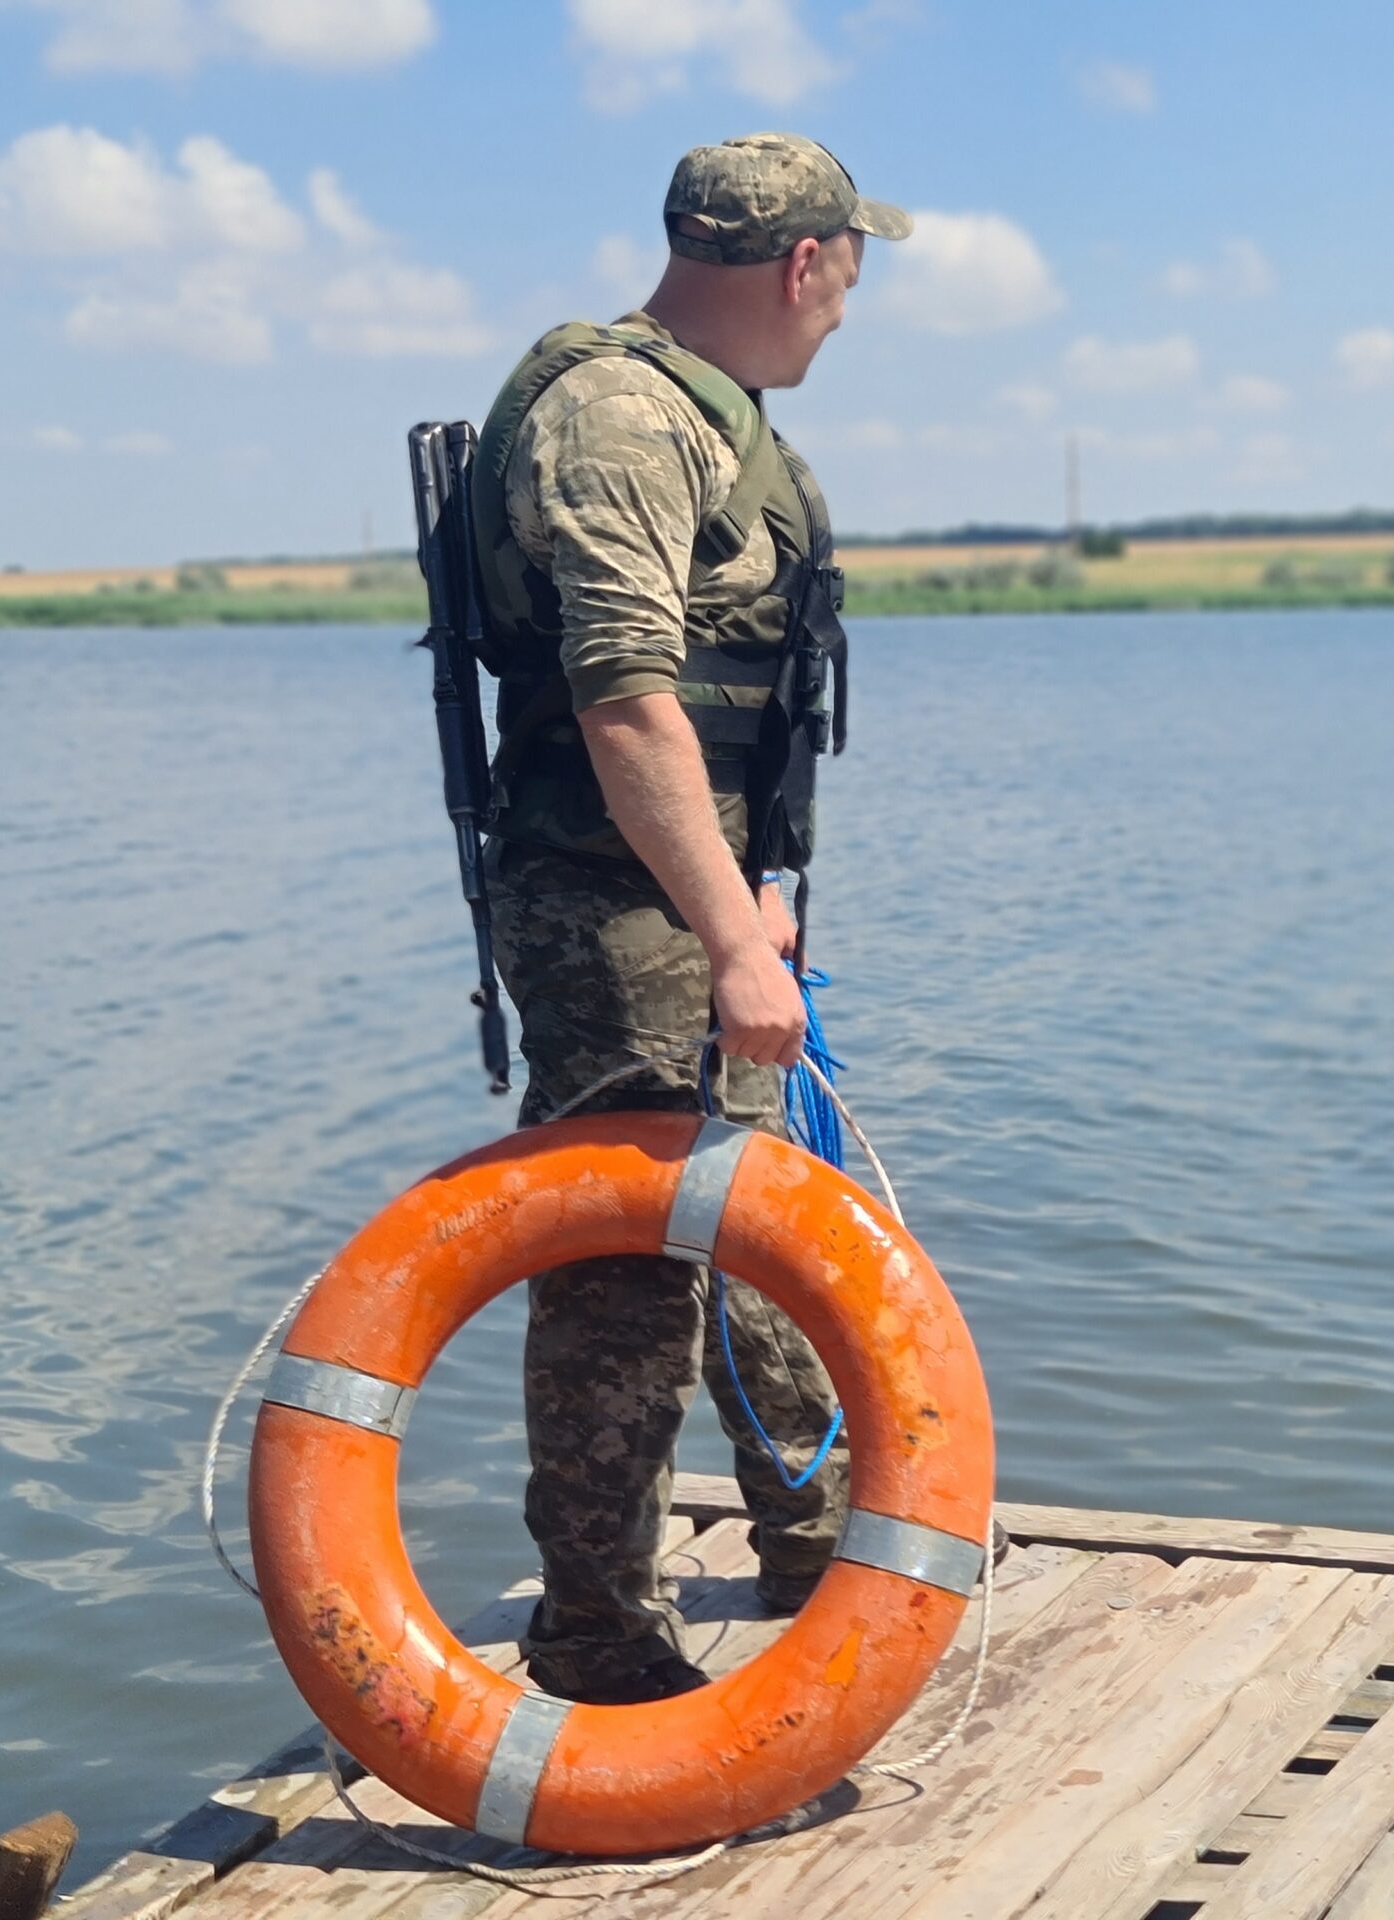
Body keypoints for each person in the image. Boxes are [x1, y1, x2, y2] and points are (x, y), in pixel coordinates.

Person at [467, 133, 907, 1705]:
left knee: (757, 1209)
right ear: (805, 264)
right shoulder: (621, 420)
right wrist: (728, 938)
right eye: (853, 273)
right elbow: (628, 701)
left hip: (706, 894)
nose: (851, 309)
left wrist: (759, 902)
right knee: (626, 1267)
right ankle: (596, 1633)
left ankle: (812, 1531)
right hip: (619, 907)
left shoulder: (718, 421)